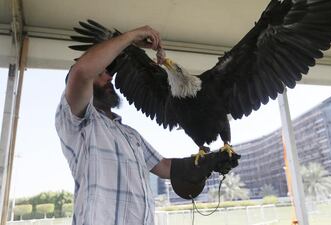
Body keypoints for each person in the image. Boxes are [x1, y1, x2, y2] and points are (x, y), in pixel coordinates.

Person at [55, 25, 239, 225]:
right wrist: (131, 37)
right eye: (100, 74)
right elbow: (82, 72)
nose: (109, 76)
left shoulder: (129, 135)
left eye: (108, 73)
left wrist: (206, 163)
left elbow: (163, 166)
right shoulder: (78, 122)